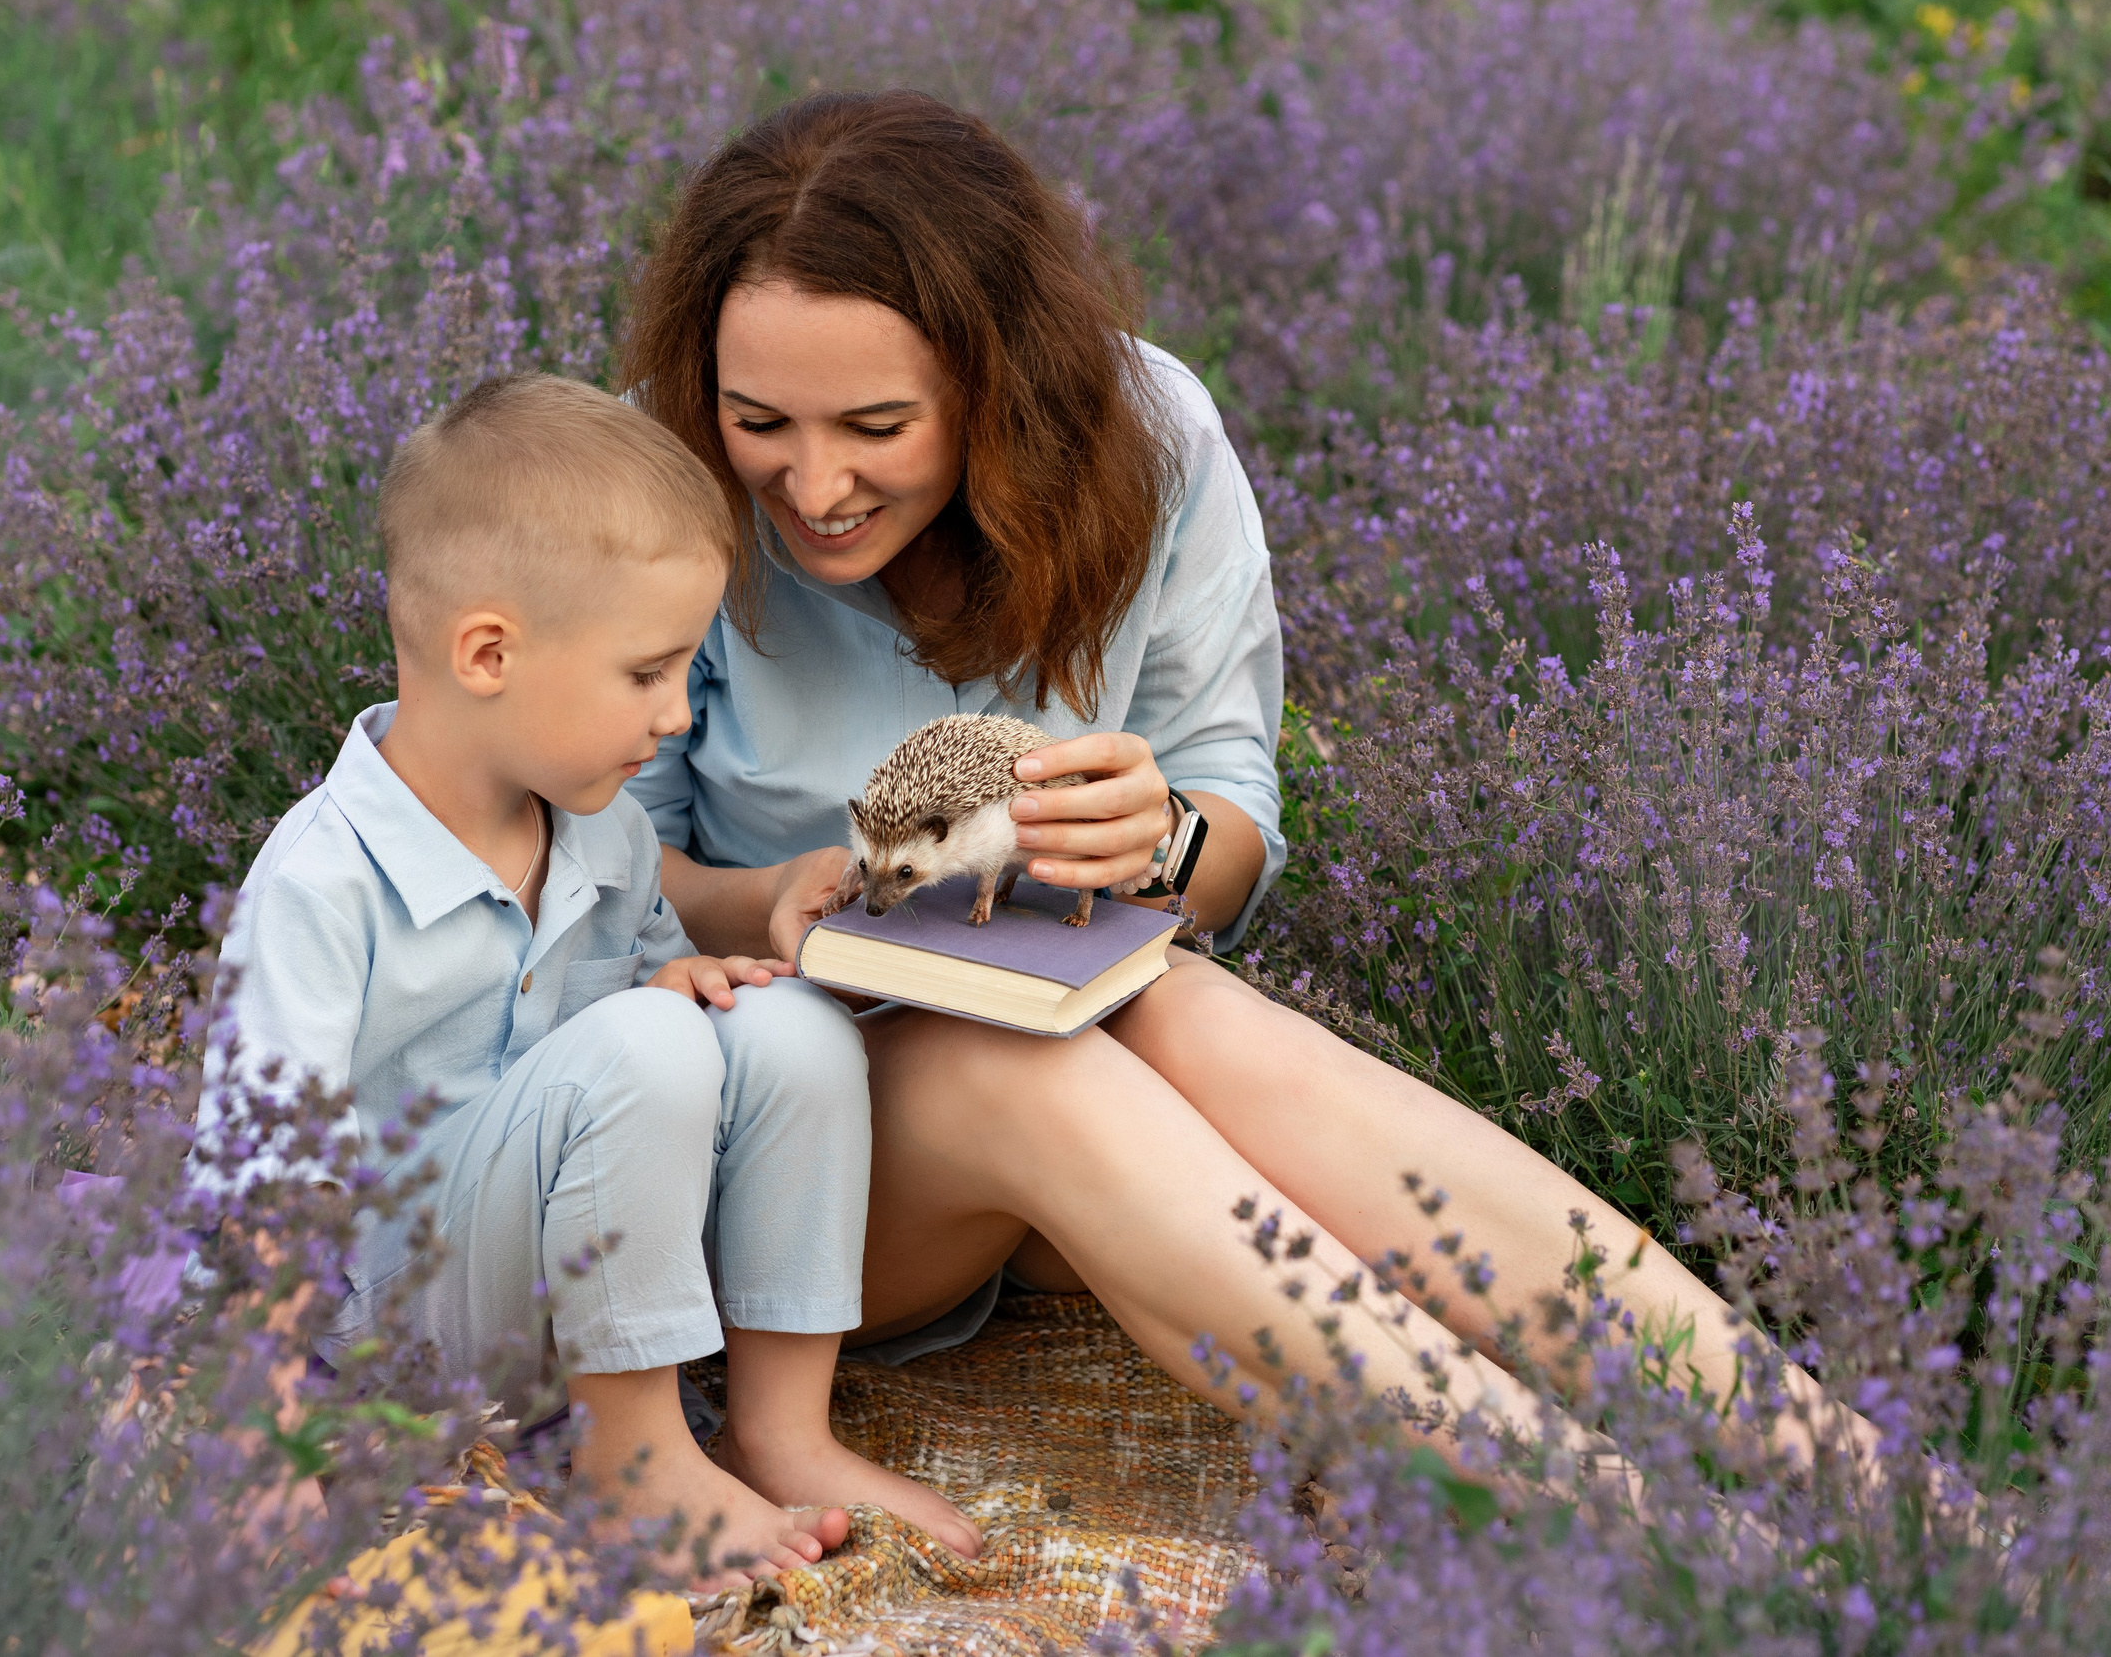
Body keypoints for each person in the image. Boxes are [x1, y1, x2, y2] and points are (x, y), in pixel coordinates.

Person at [624, 92, 1879, 1476]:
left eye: (876, 425)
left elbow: (1230, 800)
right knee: (1015, 1065)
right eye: (761, 423)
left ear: (996, 388)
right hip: (772, 1156)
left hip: (1071, 1090)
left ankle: (1848, 1476)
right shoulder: (646, 479)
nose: (812, 483)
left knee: (1190, 1012)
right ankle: (1614, 1536)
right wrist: (774, 903)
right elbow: (585, 882)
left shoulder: (1142, 431)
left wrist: (1157, 843)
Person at [196, 373, 981, 1584]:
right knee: (648, 1042)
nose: (675, 716)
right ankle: (634, 1462)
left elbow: (652, 995)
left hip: (568, 1266)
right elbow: (267, 1179)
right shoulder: (321, 885)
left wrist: (702, 979)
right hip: (397, 1316)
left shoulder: (600, 828)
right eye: (646, 673)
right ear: (490, 653)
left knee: (786, 1023)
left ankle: (779, 1425)